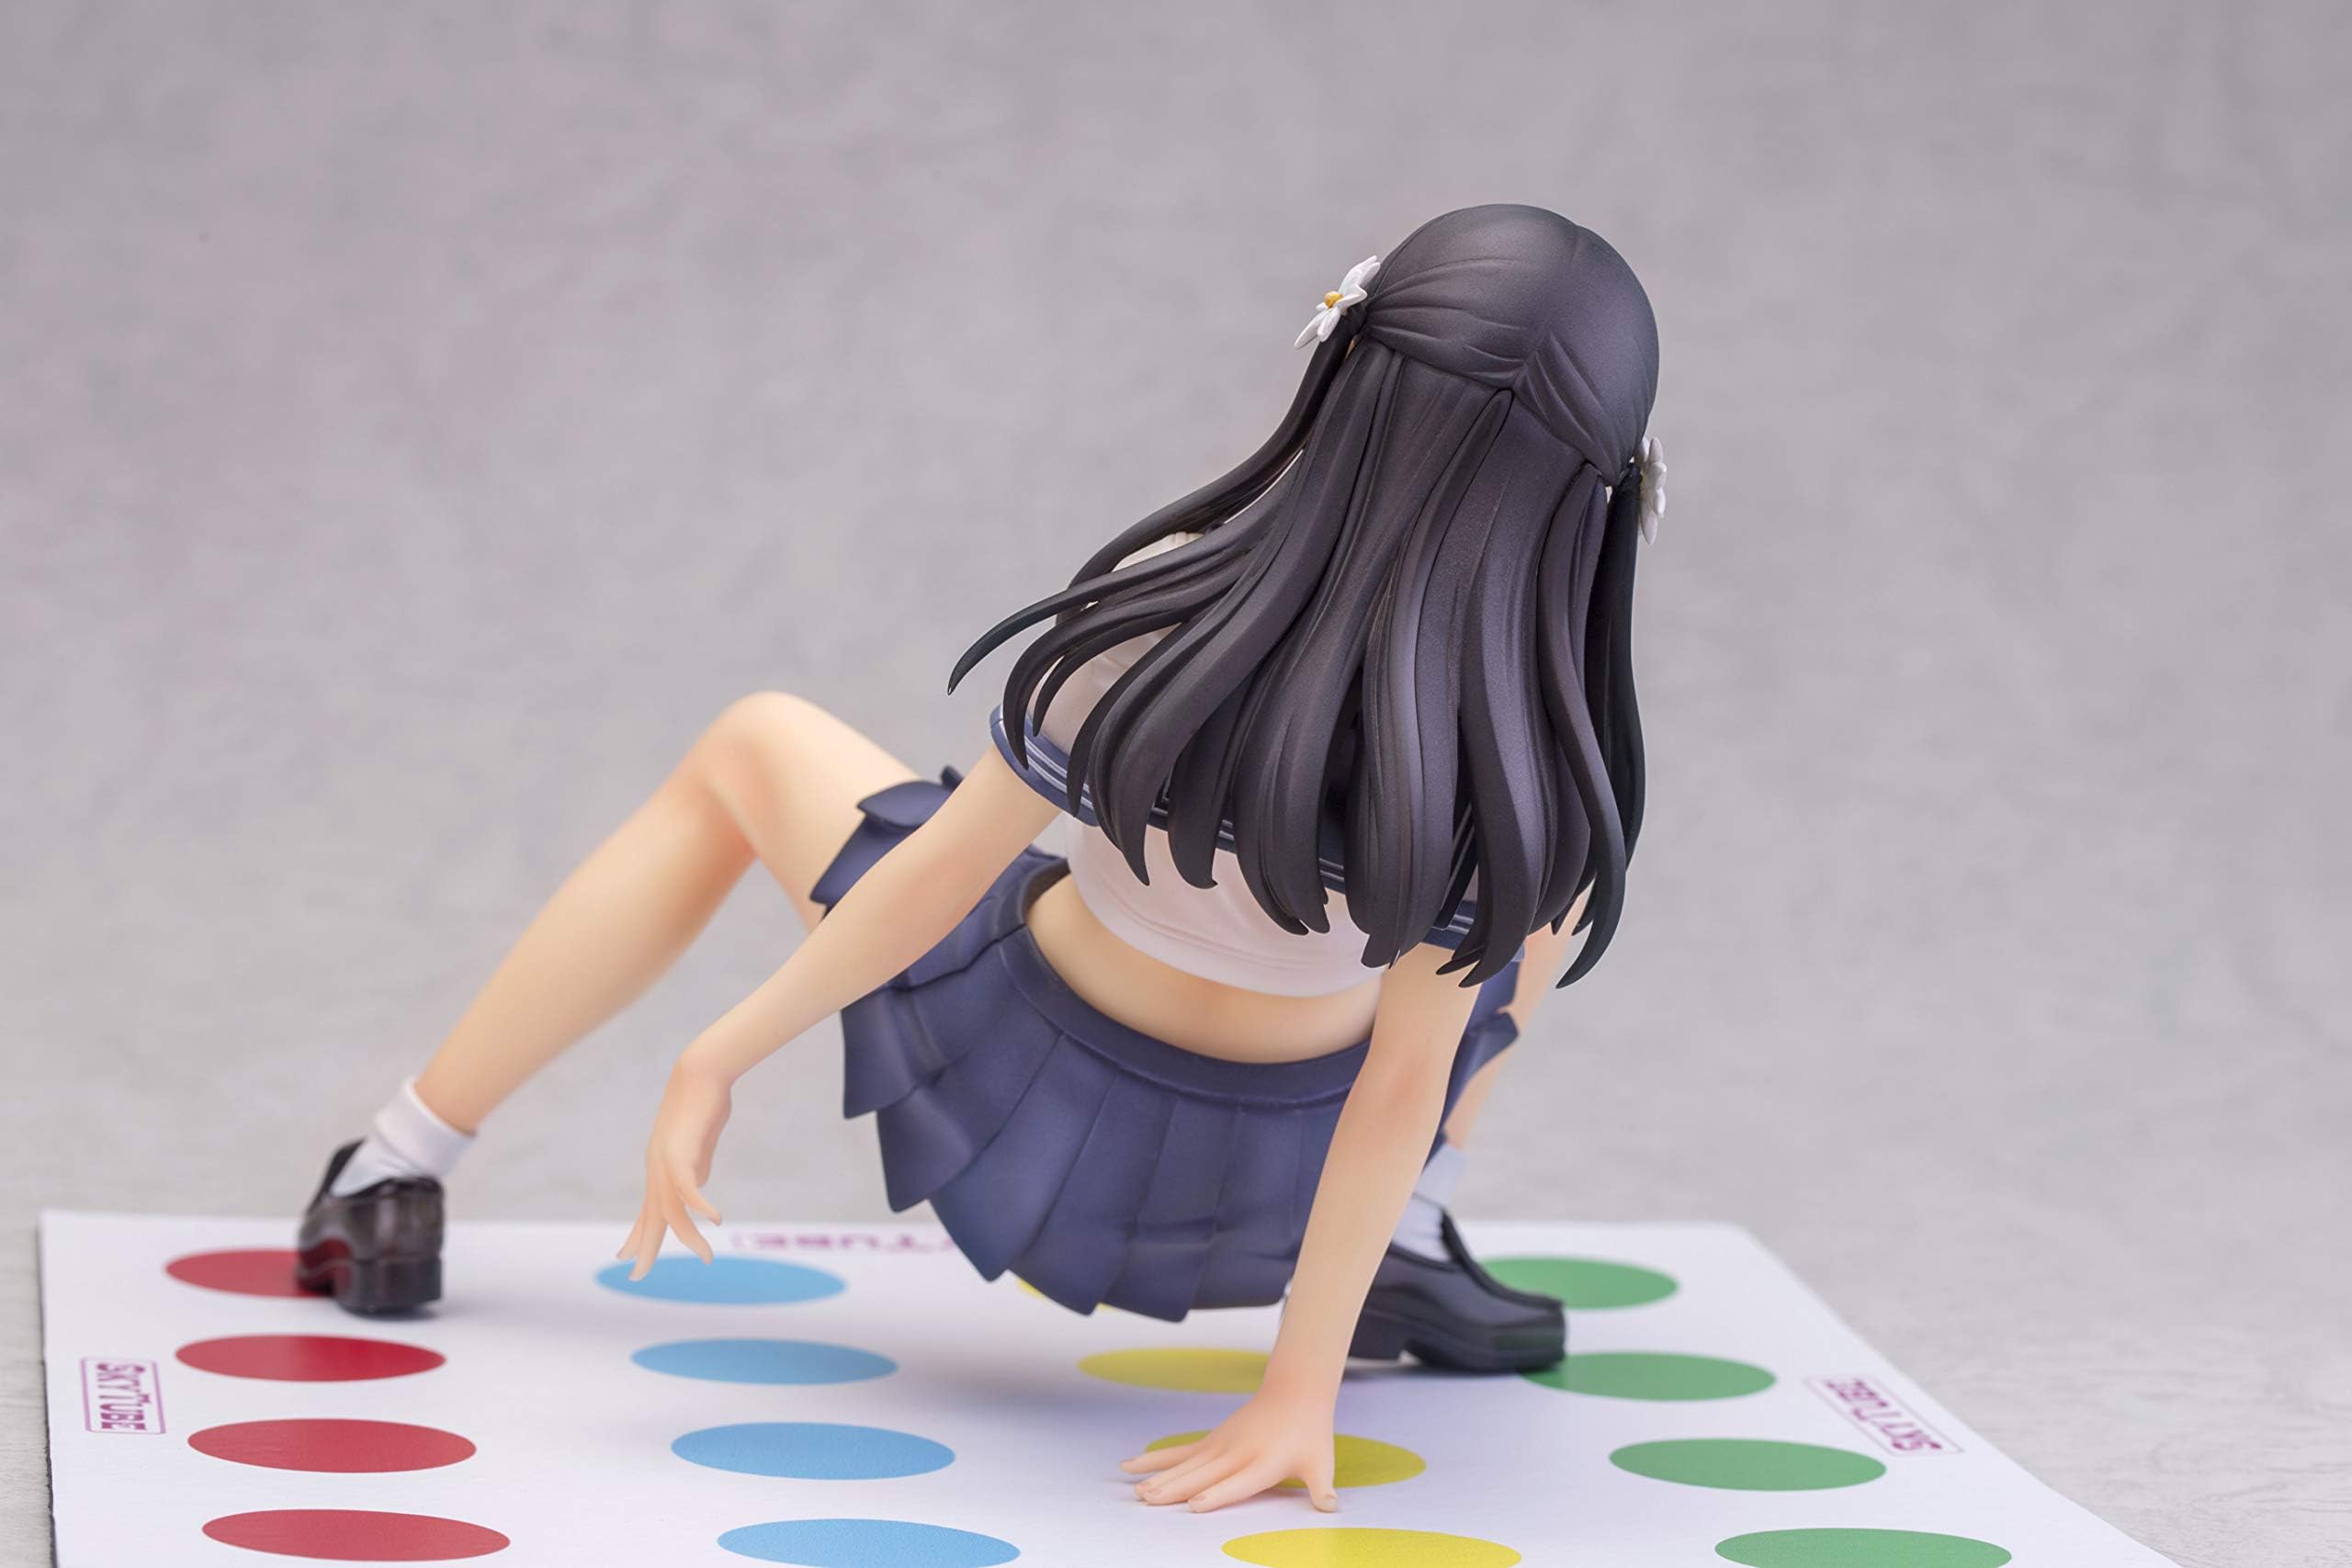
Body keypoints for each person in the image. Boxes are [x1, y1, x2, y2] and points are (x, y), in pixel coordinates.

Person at [296, 202, 1663, 1514]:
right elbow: (1402, 1084)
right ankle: (1408, 1240)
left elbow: (943, 873)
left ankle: (395, 1170)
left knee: (752, 744)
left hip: (1016, 1084)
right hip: (1302, 1180)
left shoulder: (1182, 603)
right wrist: (1295, 1392)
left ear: (1345, 369)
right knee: (1549, 883)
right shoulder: (1517, 750)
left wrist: (724, 1052)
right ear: (1600, 502)